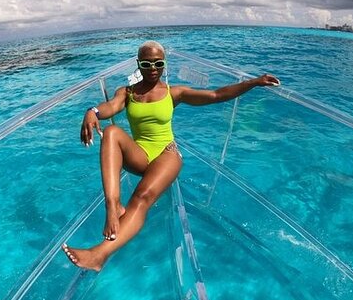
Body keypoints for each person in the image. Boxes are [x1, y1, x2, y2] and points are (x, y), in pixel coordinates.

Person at [62, 40, 280, 271]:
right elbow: (110, 107)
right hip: (141, 155)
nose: (153, 68)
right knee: (112, 132)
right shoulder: (127, 93)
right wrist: (92, 111)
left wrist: (254, 82)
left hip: (167, 154)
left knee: (141, 197)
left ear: (164, 64)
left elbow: (216, 95)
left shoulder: (173, 92)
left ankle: (99, 254)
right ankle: (113, 205)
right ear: (138, 64)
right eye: (147, 63)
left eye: (158, 63)